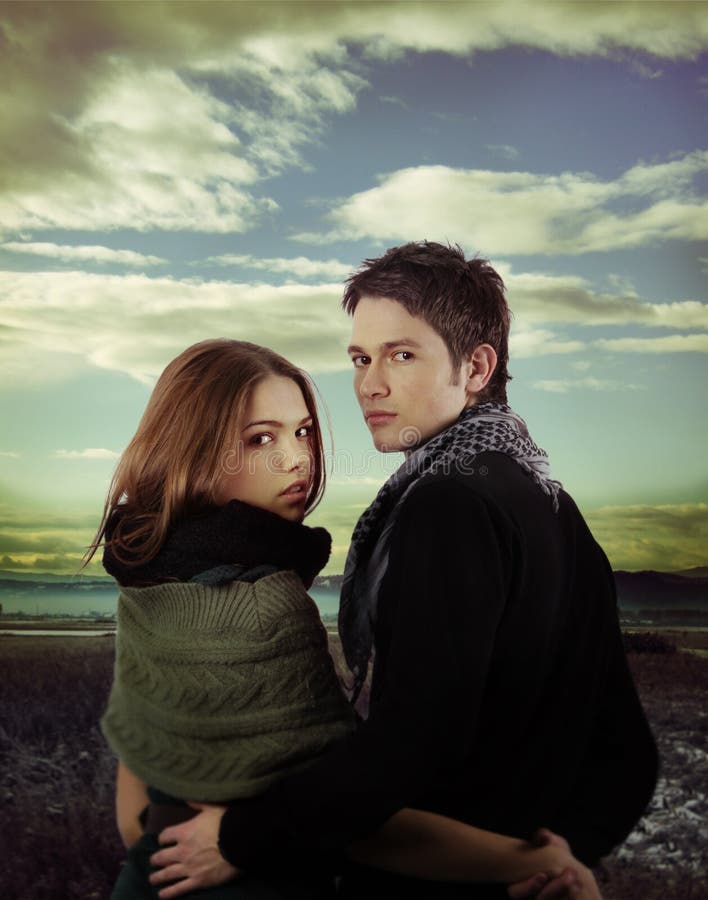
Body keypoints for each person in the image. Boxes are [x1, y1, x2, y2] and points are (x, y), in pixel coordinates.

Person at [150, 245, 659, 899]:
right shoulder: (553, 505)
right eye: (361, 358)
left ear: (476, 367)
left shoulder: (449, 504)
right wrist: (560, 863)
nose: (370, 385)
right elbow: (627, 756)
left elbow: (415, 744)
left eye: (402, 354)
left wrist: (240, 837)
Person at [88, 337, 599, 900]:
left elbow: (134, 792)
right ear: (195, 453)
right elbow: (353, 816)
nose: (297, 458)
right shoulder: (265, 607)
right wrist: (530, 859)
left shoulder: (146, 577)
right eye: (261, 439)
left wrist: (163, 844)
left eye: (303, 430)